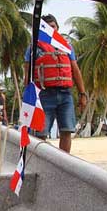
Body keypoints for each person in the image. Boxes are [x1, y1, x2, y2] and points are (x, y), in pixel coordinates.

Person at [23, 14, 87, 153]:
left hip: (65, 95)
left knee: (66, 130)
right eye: (47, 28)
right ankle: (43, 162)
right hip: (44, 95)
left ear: (57, 28)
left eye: (53, 27)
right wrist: (28, 98)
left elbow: (75, 70)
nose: (51, 30)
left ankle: (65, 161)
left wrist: (82, 94)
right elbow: (27, 74)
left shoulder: (67, 47)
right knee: (41, 134)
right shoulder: (34, 48)